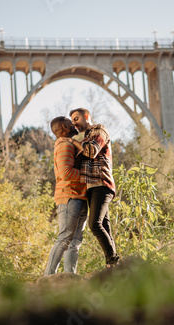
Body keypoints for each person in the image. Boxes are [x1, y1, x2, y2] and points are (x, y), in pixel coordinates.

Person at [62, 108, 120, 268]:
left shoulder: (99, 130)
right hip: (92, 187)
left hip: (102, 183)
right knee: (105, 226)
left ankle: (112, 259)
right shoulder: (86, 138)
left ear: (86, 116)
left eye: (76, 119)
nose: (74, 123)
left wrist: (71, 141)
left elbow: (91, 151)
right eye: (72, 120)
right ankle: (113, 266)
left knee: (95, 224)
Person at [44, 116, 88, 275]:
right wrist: (90, 176)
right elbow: (66, 172)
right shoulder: (64, 145)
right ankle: (48, 278)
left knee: (74, 242)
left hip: (80, 197)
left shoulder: (71, 144)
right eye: (70, 123)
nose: (74, 124)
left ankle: (70, 279)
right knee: (64, 239)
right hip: (69, 197)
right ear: (64, 127)